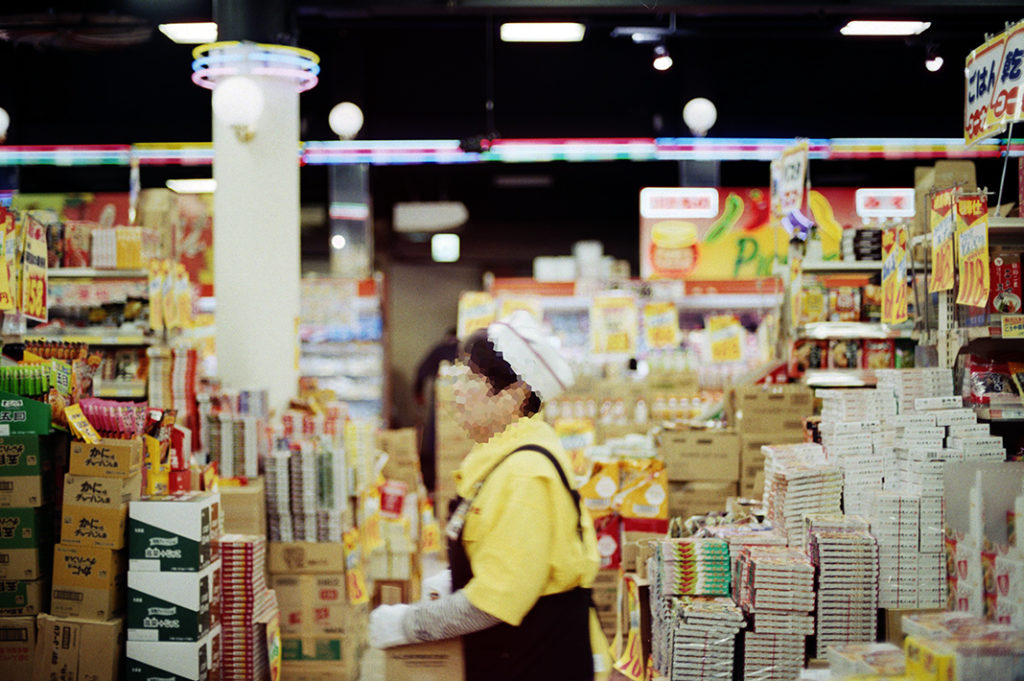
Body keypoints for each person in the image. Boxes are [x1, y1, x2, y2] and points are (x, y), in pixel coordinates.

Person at [369, 311, 605, 681]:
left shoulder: (526, 474)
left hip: (539, 663)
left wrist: (409, 624)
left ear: (515, 396)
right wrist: (455, 580)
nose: (456, 391)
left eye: (470, 379)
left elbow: (493, 602)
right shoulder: (500, 459)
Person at [413, 326, 459, 493]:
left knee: (436, 440)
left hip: (443, 405)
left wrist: (418, 394)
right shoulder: (474, 349)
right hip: (466, 408)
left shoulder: (440, 349)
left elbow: (421, 372)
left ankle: (432, 483)